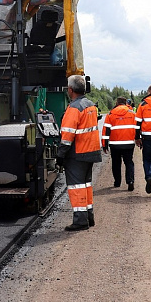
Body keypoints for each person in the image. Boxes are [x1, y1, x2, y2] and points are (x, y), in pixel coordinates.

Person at [57, 74, 102, 231]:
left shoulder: (74, 108)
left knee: (76, 187)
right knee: (86, 185)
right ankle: (89, 217)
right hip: (91, 151)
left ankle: (80, 221)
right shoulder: (90, 105)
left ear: (70, 90)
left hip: (77, 153)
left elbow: (67, 135)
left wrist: (60, 155)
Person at [102, 97, 137, 191]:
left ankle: (117, 182)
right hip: (129, 143)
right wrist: (138, 139)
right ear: (125, 103)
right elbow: (137, 128)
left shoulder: (111, 114)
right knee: (129, 162)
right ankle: (130, 181)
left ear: (117, 103)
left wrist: (104, 145)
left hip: (115, 144)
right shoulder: (132, 113)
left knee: (116, 163)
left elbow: (106, 131)